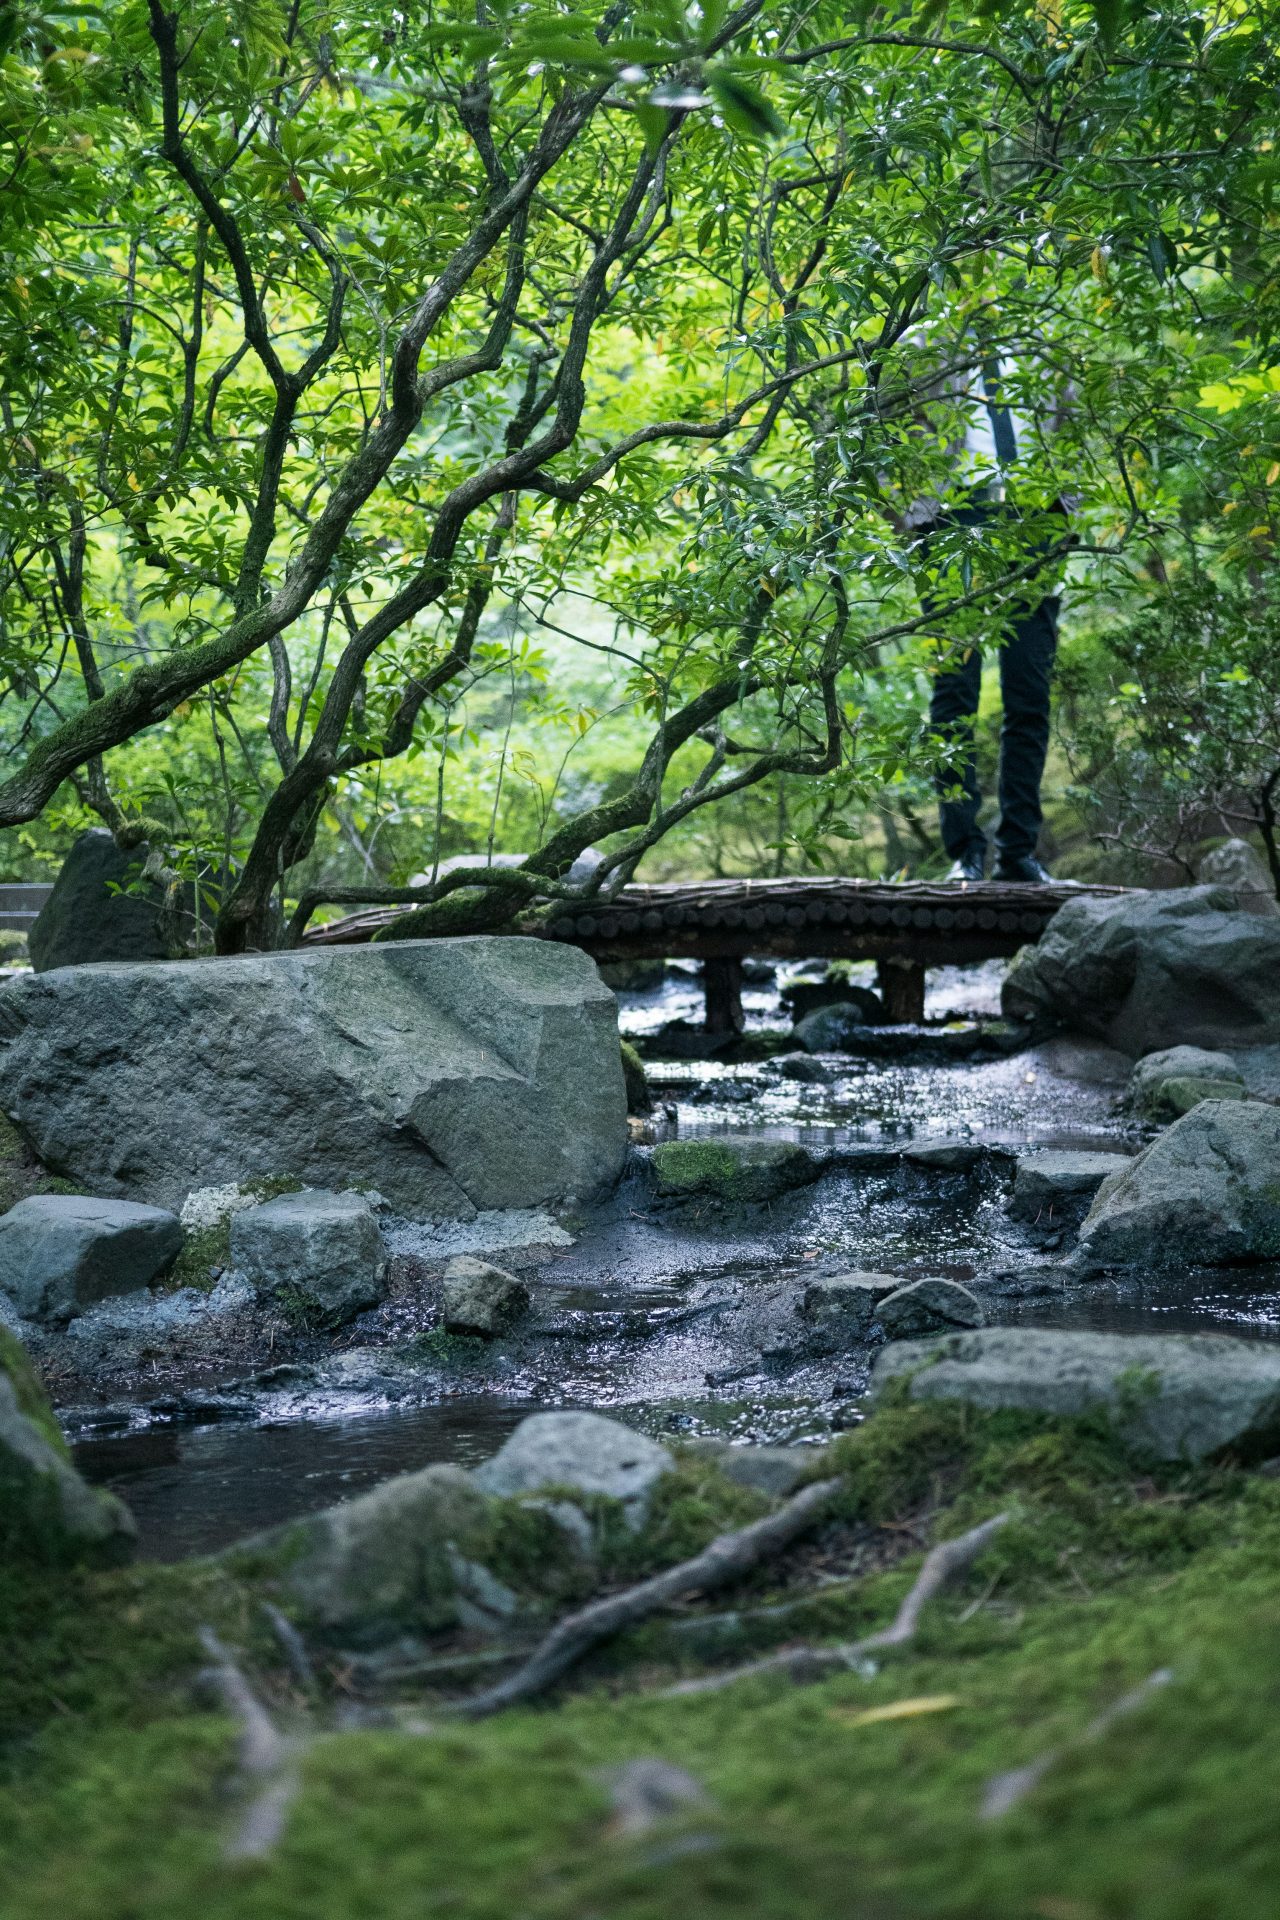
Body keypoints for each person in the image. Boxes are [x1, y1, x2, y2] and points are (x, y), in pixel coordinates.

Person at [908, 358, 1066, 884]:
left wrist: (1066, 516)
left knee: (1029, 691)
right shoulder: (921, 341)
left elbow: (1070, 429)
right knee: (954, 692)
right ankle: (964, 853)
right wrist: (917, 517)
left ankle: (1018, 851)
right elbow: (885, 434)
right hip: (954, 517)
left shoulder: (1042, 340)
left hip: (1035, 519)